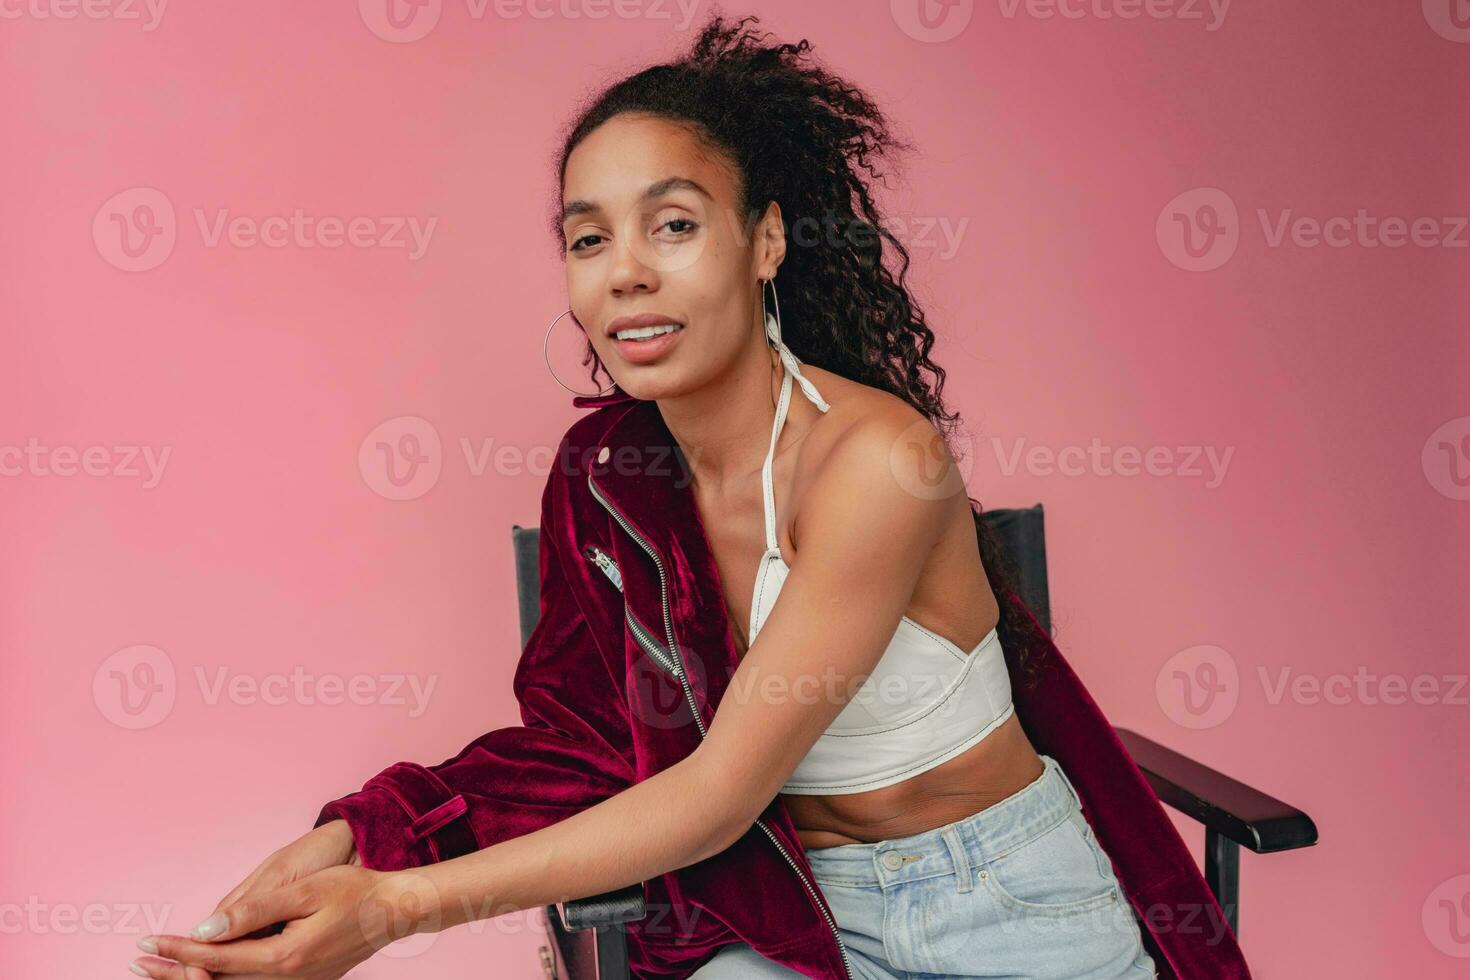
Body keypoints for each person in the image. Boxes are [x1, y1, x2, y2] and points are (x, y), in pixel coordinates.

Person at [128, 12, 1159, 979]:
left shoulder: (881, 459)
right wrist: (358, 833)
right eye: (588, 239)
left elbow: (719, 792)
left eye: (671, 225)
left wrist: (397, 907)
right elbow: (580, 740)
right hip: (789, 910)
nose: (624, 274)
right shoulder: (609, 473)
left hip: (1006, 904)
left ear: (765, 242)